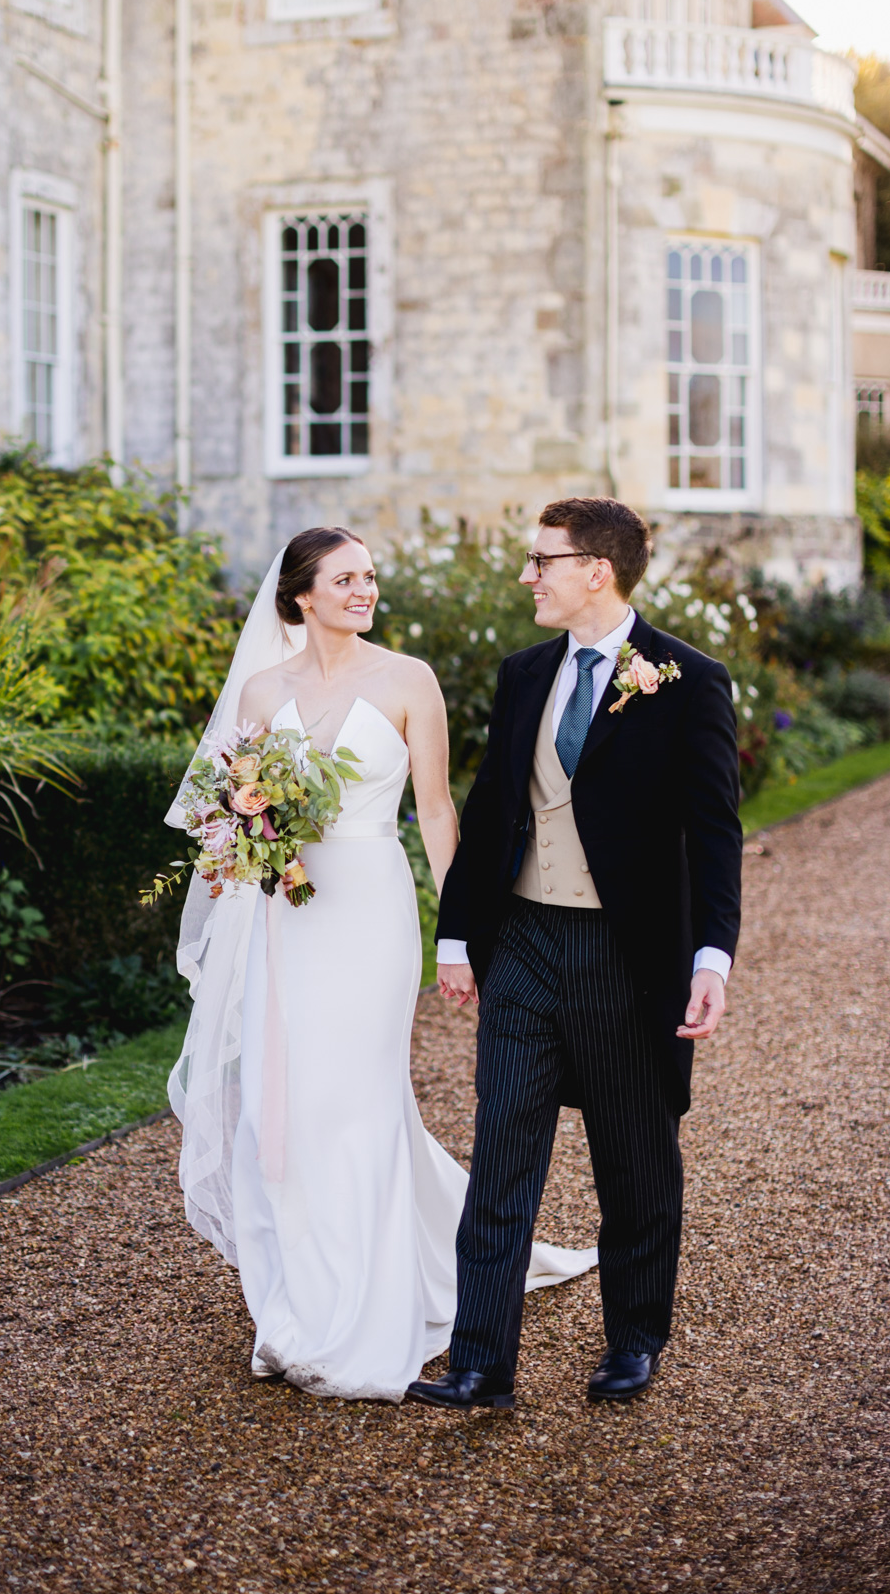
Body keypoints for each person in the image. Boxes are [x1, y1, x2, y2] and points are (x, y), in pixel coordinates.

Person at [166, 527, 596, 1402]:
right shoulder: (261, 690)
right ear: (301, 596)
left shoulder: (408, 680)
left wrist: (462, 931)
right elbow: (225, 813)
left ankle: (364, 1307)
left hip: (370, 911)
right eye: (345, 579)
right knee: (284, 1101)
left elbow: (435, 812)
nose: (364, 591)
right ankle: (299, 1299)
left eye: (369, 576)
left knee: (355, 1096)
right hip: (286, 916)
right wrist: (245, 841)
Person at [406, 497, 743, 1412]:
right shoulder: (524, 674)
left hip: (624, 955)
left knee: (632, 1160)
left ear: (596, 570)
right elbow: (490, 812)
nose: (528, 576)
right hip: (521, 942)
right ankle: (480, 1363)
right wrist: (456, 935)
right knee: (501, 1152)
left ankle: (633, 1339)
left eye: (541, 560)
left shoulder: (688, 679)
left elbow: (715, 834)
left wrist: (710, 959)